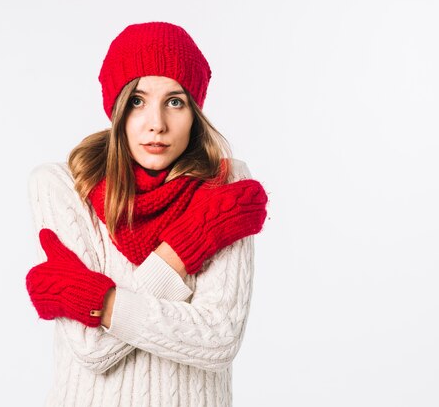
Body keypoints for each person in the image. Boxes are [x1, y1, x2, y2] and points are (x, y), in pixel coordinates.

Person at [25, 21, 269, 407]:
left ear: (194, 112)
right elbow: (92, 349)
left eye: (175, 101)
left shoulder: (226, 186)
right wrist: (189, 244)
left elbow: (219, 339)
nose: (157, 123)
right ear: (116, 107)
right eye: (138, 100)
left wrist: (103, 304)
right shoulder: (63, 186)